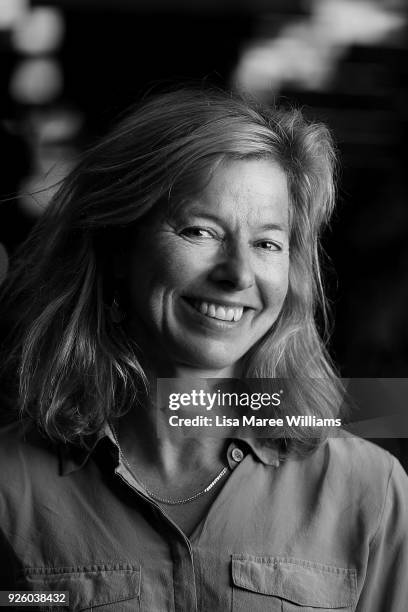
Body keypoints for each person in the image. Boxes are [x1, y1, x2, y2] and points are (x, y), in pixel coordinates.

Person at [0, 87, 407, 611]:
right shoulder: (10, 486)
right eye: (200, 230)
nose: (237, 274)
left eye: (267, 243)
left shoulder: (367, 490)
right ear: (118, 247)